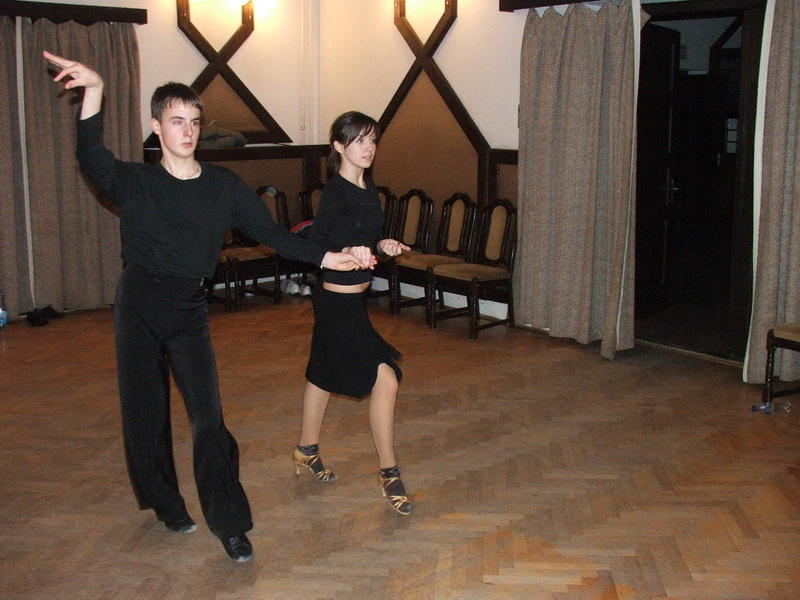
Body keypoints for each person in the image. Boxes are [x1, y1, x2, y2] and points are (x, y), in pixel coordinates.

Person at [44, 51, 375, 562]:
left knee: (208, 418)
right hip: (137, 303)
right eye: (177, 121)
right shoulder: (137, 181)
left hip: (189, 308)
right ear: (157, 127)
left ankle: (230, 524)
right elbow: (92, 159)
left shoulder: (222, 186)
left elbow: (272, 234)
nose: (188, 131)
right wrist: (95, 91)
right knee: (145, 413)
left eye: (195, 122)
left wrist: (329, 255)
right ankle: (166, 505)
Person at [293, 111, 413, 515]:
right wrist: (344, 251)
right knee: (386, 379)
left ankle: (306, 449)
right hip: (335, 302)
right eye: (359, 140)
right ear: (339, 147)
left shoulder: (368, 188)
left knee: (322, 373)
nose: (368, 147)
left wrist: (384, 246)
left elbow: (368, 241)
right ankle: (388, 473)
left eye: (373, 140)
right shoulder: (336, 193)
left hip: (355, 300)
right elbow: (317, 244)